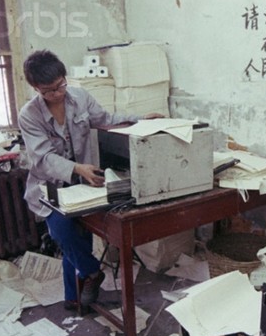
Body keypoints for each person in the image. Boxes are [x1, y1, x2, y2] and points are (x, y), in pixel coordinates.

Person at [18, 50, 161, 310]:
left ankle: (75, 298)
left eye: (61, 85)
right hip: (50, 185)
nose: (57, 93)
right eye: (48, 91)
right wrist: (77, 168)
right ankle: (93, 273)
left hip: (83, 182)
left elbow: (106, 119)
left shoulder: (80, 97)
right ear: (35, 87)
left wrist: (141, 118)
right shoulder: (29, 114)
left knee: (79, 239)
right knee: (61, 231)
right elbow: (43, 158)